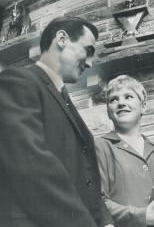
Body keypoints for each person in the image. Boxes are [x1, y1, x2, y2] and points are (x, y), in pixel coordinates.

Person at [0, 16, 113, 227]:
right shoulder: (18, 82)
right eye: (88, 50)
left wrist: (105, 222)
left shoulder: (62, 98)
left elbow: (85, 176)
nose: (90, 63)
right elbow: (32, 167)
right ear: (62, 38)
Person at [95, 75, 154, 227]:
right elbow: (98, 202)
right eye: (113, 99)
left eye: (128, 96)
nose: (121, 103)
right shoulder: (100, 147)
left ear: (143, 106)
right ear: (109, 112)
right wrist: (144, 216)